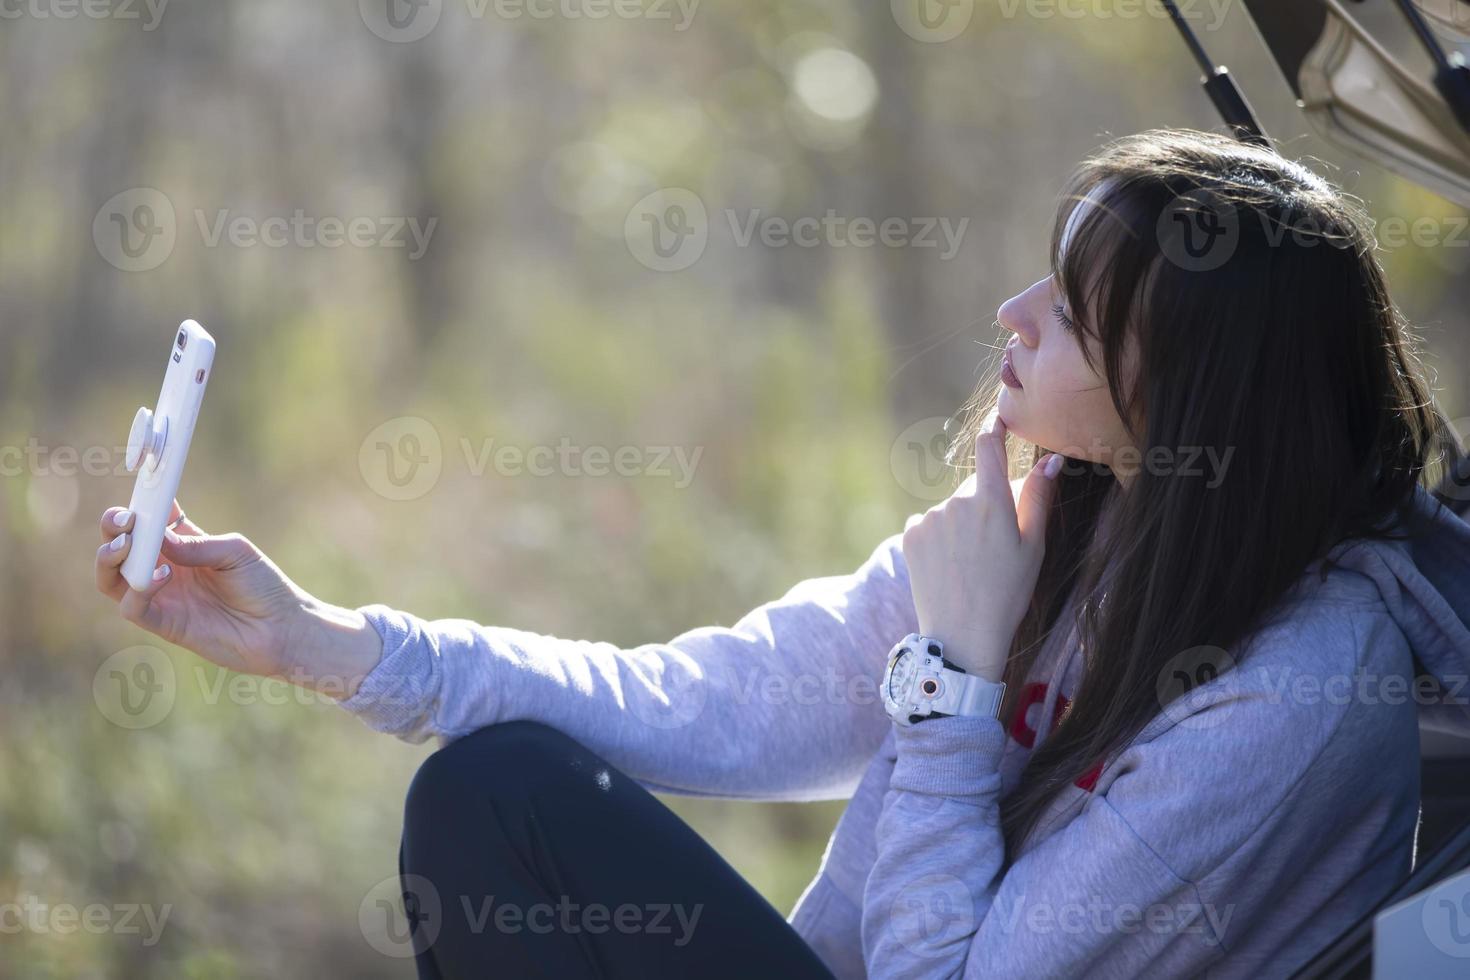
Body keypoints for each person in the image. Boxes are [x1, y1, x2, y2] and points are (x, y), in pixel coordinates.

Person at [94, 128, 1470, 978]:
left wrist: (954, 680)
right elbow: (711, 698)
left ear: (1190, 387)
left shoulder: (1294, 696)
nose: (1008, 312)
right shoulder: (1067, 524)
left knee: (505, 804)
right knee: (497, 798)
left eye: (1068, 307)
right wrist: (334, 646)